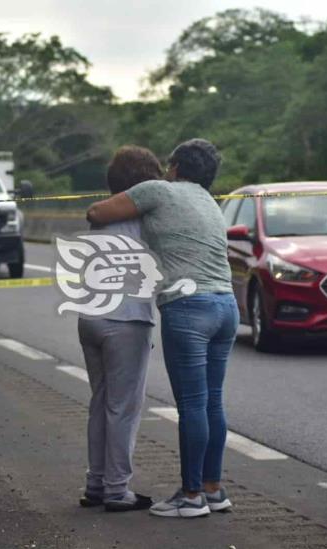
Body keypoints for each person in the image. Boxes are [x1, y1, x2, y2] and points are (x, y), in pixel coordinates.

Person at [87, 138, 239, 518]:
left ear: (173, 167)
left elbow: (97, 211)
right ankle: (213, 488)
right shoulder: (210, 201)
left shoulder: (158, 190)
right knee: (213, 401)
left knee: (191, 404)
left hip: (189, 307)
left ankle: (189, 497)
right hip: (226, 305)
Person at [78, 146, 162, 512]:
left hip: (91, 318)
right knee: (123, 408)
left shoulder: (102, 217)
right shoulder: (148, 218)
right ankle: (117, 489)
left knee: (100, 403)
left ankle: (96, 484)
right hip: (126, 319)